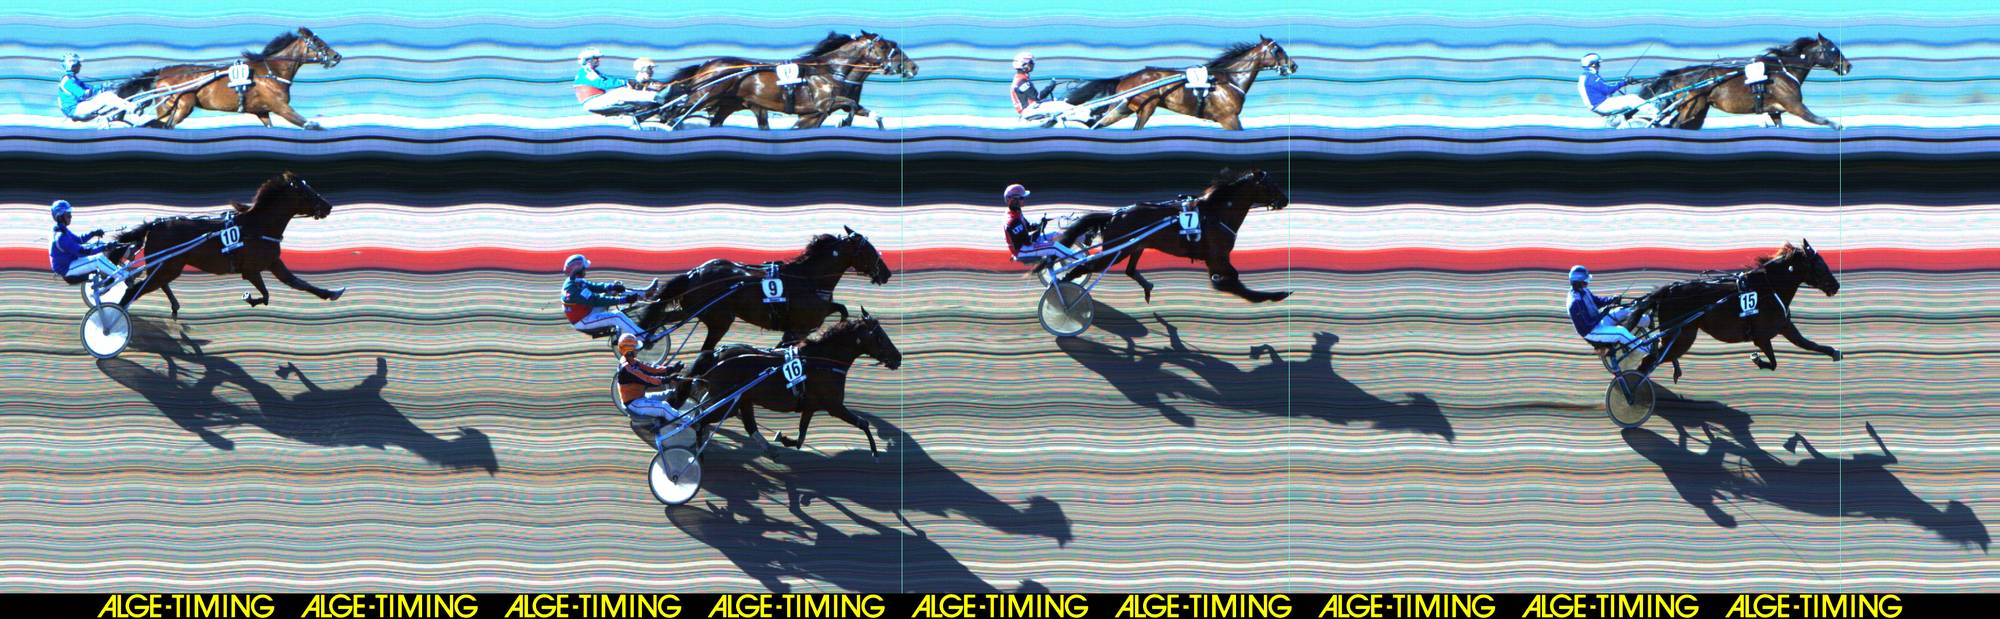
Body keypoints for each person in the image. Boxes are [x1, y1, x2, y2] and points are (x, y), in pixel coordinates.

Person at [561, 254, 665, 344]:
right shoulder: (572, 290)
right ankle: (645, 338)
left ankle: (644, 293)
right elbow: (596, 300)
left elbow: (596, 286)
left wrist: (612, 287)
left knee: (614, 289)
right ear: (577, 270)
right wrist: (624, 300)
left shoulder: (576, 280)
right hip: (583, 321)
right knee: (617, 316)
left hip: (588, 310)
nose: (585, 270)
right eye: (584, 268)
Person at [1566, 265, 1649, 353]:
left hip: (1598, 322)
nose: (1587, 282)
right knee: (1621, 332)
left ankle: (1648, 321)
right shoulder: (1575, 303)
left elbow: (1597, 301)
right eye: (1585, 280)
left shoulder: (1583, 290)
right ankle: (1649, 349)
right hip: (1591, 331)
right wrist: (1603, 314)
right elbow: (1587, 325)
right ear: (1578, 282)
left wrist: (1612, 299)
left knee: (1623, 311)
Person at [615, 333, 686, 423]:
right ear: (629, 351)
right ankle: (689, 423)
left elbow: (652, 369)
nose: (638, 350)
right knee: (663, 407)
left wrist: (672, 369)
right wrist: (669, 379)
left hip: (641, 397)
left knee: (670, 393)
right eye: (636, 349)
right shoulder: (626, 369)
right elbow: (648, 380)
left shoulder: (632, 361)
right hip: (634, 403)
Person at [48, 200, 120, 285]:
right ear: (60, 217)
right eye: (68, 214)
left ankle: (107, 270)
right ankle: (123, 276)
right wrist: (105, 247)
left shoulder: (62, 229)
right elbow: (84, 252)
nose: (71, 216)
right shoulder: (61, 237)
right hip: (67, 269)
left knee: (100, 243)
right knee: (97, 259)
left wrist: (93, 233)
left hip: (71, 259)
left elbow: (79, 240)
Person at [56, 53, 140, 124]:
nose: (80, 66)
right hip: (75, 110)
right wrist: (102, 89)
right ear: (72, 65)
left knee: (107, 95)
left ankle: (116, 115)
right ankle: (133, 108)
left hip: (77, 107)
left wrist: (103, 86)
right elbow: (83, 94)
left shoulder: (72, 79)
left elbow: (89, 87)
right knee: (106, 96)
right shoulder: (68, 81)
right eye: (78, 64)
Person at [573, 48, 660, 117]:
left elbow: (610, 79)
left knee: (625, 91)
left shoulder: (593, 72)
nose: (598, 60)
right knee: (621, 93)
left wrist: (629, 81)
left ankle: (651, 105)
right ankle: (656, 97)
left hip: (595, 101)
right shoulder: (586, 72)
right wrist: (625, 82)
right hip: (593, 102)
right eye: (596, 58)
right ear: (588, 60)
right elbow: (604, 83)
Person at [1003, 184, 1072, 262]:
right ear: (1014, 201)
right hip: (1022, 250)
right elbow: (1028, 242)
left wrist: (1040, 224)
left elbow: (1028, 227)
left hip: (1025, 244)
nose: (1024, 200)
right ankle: (1081, 261)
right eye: (1022, 198)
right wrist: (1041, 228)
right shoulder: (1013, 221)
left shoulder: (1016, 211)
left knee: (1056, 234)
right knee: (1054, 247)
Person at [1576, 53, 1652, 120]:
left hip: (1597, 106)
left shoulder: (1585, 76)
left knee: (1627, 102)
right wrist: (1624, 82)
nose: (1599, 66)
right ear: (1593, 64)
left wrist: (1621, 83)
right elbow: (1607, 90)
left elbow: (1602, 88)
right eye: (1598, 63)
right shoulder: (1591, 77)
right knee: (1632, 98)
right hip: (1601, 105)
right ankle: (1655, 112)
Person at [1010, 51, 1073, 122]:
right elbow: (1037, 97)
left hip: (1031, 108)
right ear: (1024, 65)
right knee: (1065, 105)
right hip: (1029, 111)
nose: (1033, 64)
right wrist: (1051, 87)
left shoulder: (1021, 78)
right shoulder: (1021, 81)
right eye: (1031, 62)